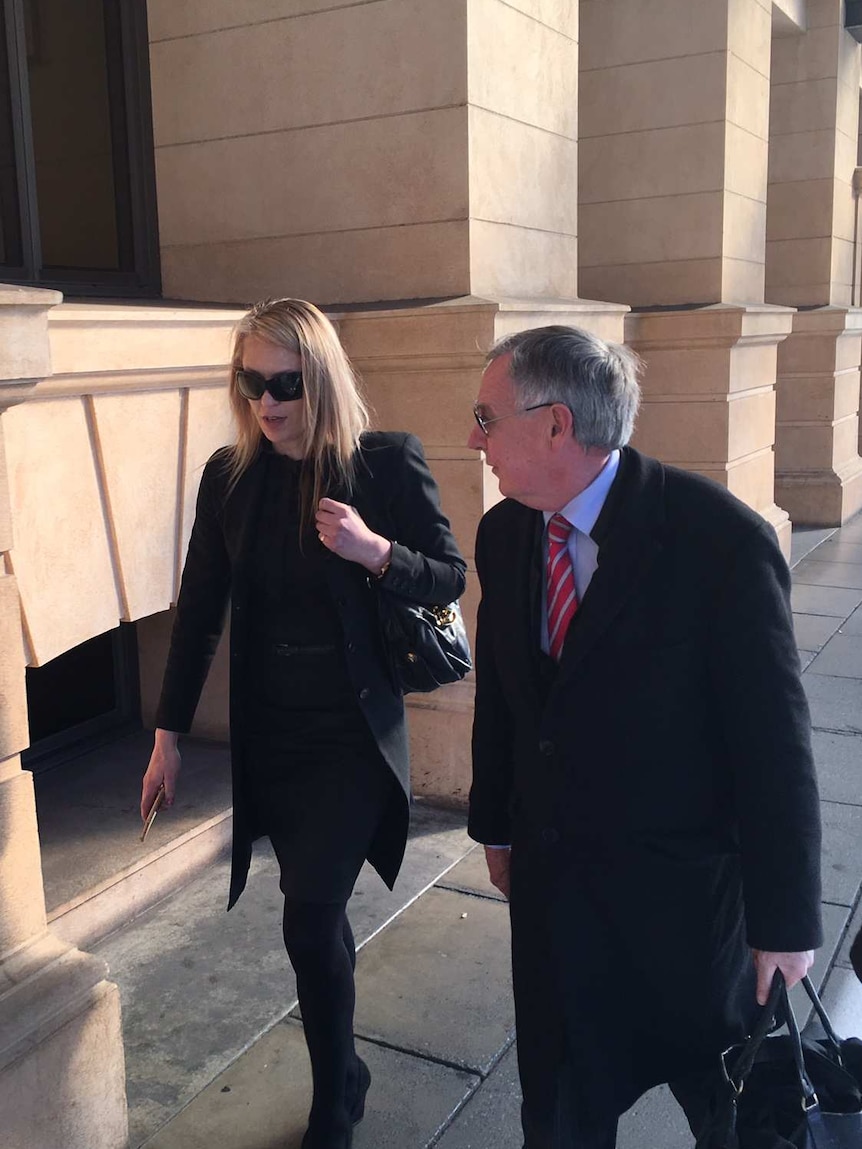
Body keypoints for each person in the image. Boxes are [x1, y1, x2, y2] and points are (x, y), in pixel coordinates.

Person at [465, 325, 823, 1149]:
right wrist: (496, 823)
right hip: (557, 908)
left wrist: (787, 917)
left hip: (688, 920)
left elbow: (776, 742)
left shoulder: (720, 543)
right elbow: (507, 699)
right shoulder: (507, 532)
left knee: (734, 1120)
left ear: (557, 425)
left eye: (486, 417)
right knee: (556, 1121)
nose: (472, 438)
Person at [140, 298, 466, 1149]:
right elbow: (201, 608)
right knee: (315, 908)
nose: (266, 402)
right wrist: (168, 734)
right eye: (251, 381)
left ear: (319, 378)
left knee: (308, 914)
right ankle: (344, 1062)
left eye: (284, 383)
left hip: (349, 736)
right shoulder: (231, 478)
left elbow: (449, 577)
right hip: (274, 738)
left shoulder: (382, 464)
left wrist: (376, 552)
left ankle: (335, 1096)